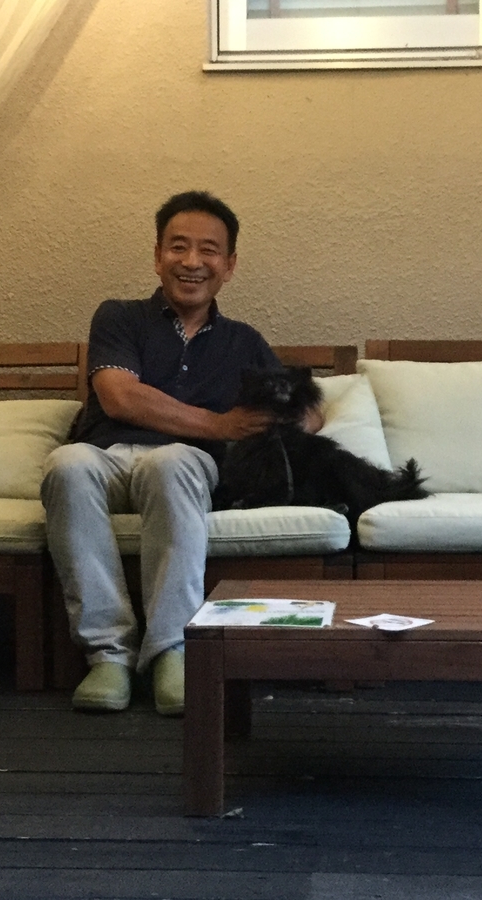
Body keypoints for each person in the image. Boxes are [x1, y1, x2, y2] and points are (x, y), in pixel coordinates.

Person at [41, 190, 284, 716]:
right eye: (178, 246)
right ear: (157, 256)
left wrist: (287, 421)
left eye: (208, 250)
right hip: (105, 455)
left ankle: (173, 650)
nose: (192, 261)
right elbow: (119, 396)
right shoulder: (119, 316)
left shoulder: (245, 342)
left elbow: (302, 409)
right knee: (66, 464)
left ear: (229, 265)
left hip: (182, 464)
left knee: (171, 462)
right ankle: (108, 656)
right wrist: (219, 424)